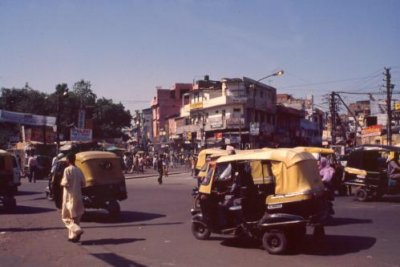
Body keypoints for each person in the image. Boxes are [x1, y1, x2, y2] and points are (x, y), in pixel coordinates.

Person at [60, 153, 85, 243]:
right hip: (78, 196)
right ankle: (73, 236)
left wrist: (61, 183)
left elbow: (65, 183)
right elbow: (83, 183)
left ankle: (77, 230)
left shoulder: (67, 170)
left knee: (65, 217)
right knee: (75, 217)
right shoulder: (79, 170)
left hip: (69, 196)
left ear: (68, 160)